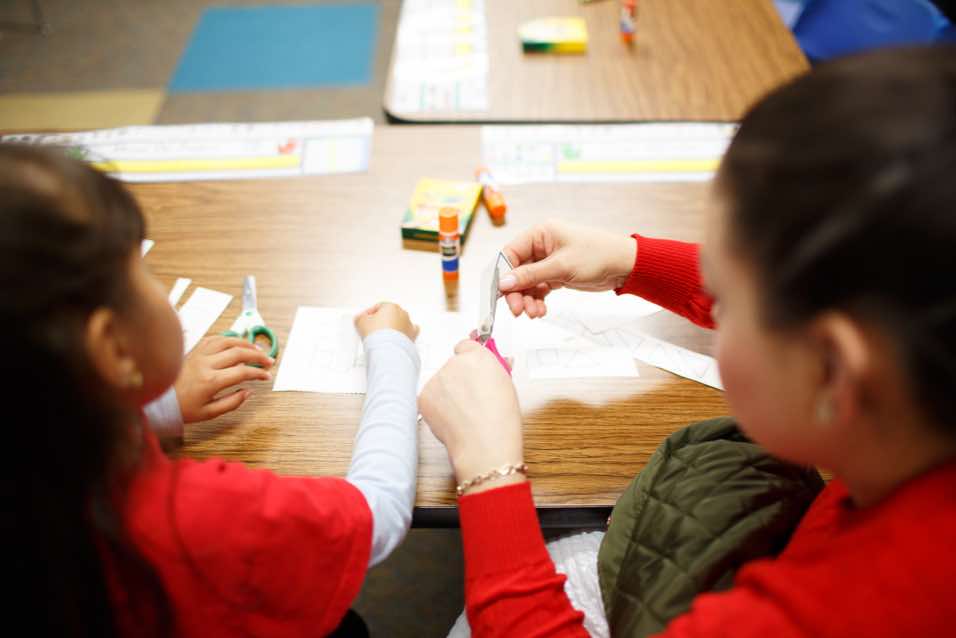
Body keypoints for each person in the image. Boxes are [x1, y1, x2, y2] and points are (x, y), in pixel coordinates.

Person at [419, 45, 956, 637]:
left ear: (831, 370)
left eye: (723, 294)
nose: (713, 302)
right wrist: (632, 261)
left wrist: (489, 469)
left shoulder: (848, 609)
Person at [3, 144, 421, 637]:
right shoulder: (197, 517)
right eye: (144, 272)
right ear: (113, 349)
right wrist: (392, 351)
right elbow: (378, 511)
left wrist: (159, 405)